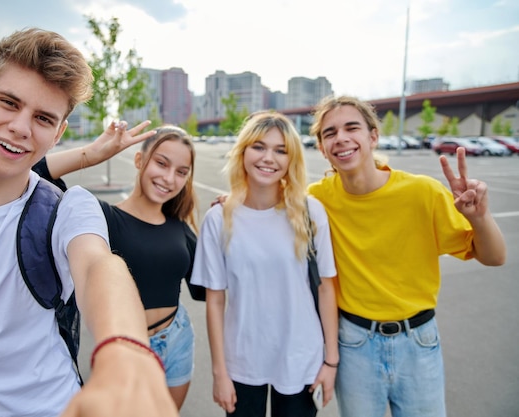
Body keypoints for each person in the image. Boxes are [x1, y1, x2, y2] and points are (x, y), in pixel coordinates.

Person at [0, 28, 177, 417]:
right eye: (9, 103)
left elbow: (99, 267)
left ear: (59, 132)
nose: (21, 127)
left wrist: (125, 353)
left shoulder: (67, 209)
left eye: (43, 118)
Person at [307, 95, 507, 417]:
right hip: (354, 343)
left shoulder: (422, 192)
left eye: (351, 127)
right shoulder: (317, 199)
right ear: (321, 146)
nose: (340, 138)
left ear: (373, 137)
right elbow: (272, 201)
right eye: (329, 133)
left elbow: (495, 257)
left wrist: (479, 218)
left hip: (418, 341)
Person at [36, 124, 203, 410]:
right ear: (139, 160)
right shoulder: (101, 217)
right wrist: (93, 155)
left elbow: (204, 289)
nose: (168, 177)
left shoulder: (181, 229)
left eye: (181, 171)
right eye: (161, 163)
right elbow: (37, 173)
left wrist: (228, 219)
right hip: (121, 348)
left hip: (177, 340)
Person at [192, 111, 339, 417]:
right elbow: (215, 302)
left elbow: (326, 289)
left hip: (299, 357)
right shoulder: (218, 219)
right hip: (242, 360)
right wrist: (220, 372)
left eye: (281, 150)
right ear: (243, 151)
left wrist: (331, 361)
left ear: (291, 160)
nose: (268, 158)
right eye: (259, 146)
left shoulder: (310, 212)